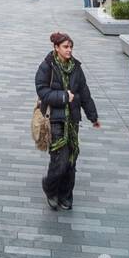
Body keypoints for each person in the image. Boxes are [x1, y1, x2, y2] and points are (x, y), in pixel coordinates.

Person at [34, 31, 100, 210]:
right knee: (60, 159)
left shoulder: (76, 67)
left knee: (72, 159)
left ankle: (65, 194)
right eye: (65, 47)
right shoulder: (47, 66)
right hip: (54, 120)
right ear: (56, 48)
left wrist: (93, 116)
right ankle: (50, 188)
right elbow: (42, 90)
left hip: (72, 120)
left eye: (71, 47)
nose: (69, 50)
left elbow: (84, 93)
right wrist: (64, 96)